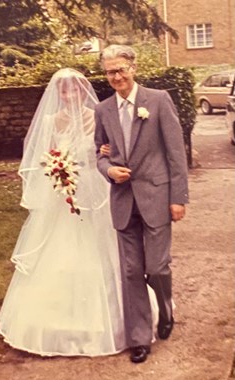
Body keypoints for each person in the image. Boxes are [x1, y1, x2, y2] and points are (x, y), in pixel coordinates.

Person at [0, 68, 158, 357]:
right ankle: (59, 323)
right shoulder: (50, 121)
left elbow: (110, 151)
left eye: (74, 89)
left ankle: (119, 321)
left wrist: (106, 153)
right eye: (64, 90)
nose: (69, 95)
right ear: (58, 94)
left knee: (106, 252)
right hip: (64, 196)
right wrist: (57, 171)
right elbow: (43, 156)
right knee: (61, 252)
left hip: (97, 192)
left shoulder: (98, 114)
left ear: (82, 90)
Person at [94, 45, 189, 363]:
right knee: (132, 271)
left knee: (156, 267)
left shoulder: (158, 100)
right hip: (122, 201)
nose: (116, 76)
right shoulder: (103, 110)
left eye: (121, 69)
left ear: (133, 68)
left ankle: (165, 307)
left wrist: (178, 198)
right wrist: (109, 170)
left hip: (157, 197)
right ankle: (139, 338)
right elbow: (99, 152)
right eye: (110, 72)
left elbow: (176, 154)